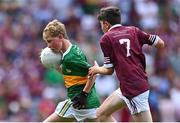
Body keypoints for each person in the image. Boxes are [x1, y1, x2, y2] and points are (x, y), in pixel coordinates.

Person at [88, 6, 165, 122]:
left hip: (133, 90)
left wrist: (96, 69)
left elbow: (109, 70)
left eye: (101, 24)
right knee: (100, 115)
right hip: (128, 86)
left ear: (106, 24)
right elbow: (160, 43)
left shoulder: (106, 38)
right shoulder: (134, 30)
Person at [42, 19, 100, 122]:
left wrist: (83, 94)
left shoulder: (71, 57)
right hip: (89, 103)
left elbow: (93, 73)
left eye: (50, 41)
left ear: (60, 37)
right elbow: (71, 73)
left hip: (78, 103)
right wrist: (56, 66)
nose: (48, 46)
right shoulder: (72, 49)